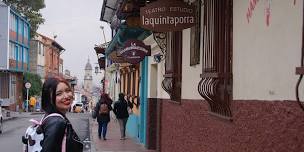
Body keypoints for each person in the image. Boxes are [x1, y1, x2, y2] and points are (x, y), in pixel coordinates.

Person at [41, 76, 83, 152]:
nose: (66, 96)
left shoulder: (51, 117)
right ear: (49, 98)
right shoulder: (57, 122)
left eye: (67, 90)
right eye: (59, 94)